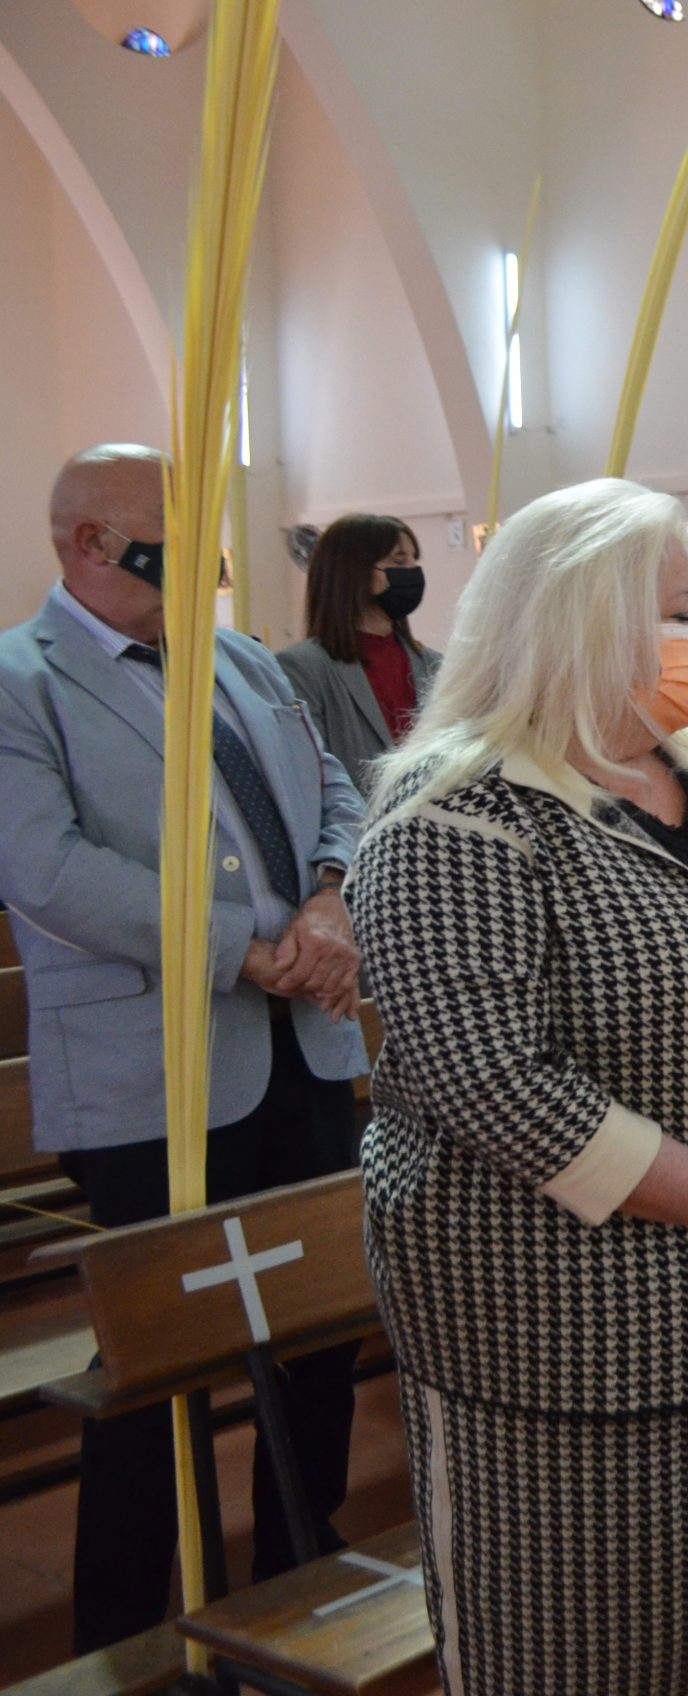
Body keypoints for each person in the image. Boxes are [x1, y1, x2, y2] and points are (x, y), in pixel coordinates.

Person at [351, 478, 688, 1693]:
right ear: (575, 623)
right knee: (585, 1654)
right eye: (674, 611)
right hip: (573, 1355)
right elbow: (497, 1082)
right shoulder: (453, 822)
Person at [0, 445, 368, 1652]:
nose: (199, 548)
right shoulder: (22, 680)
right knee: (157, 1379)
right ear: (87, 544)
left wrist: (329, 899)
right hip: (153, 1081)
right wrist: (244, 949)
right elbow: (48, 871)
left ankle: (298, 1597)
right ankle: (122, 1640)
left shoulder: (244, 658)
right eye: (170, 529)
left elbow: (337, 794)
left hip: (302, 1050)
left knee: (314, 1342)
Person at [276, 514, 442, 801]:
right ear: (355, 571)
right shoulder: (302, 668)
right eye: (399, 561)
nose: (414, 571)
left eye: (415, 560)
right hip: (356, 833)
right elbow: (311, 775)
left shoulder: (433, 664)